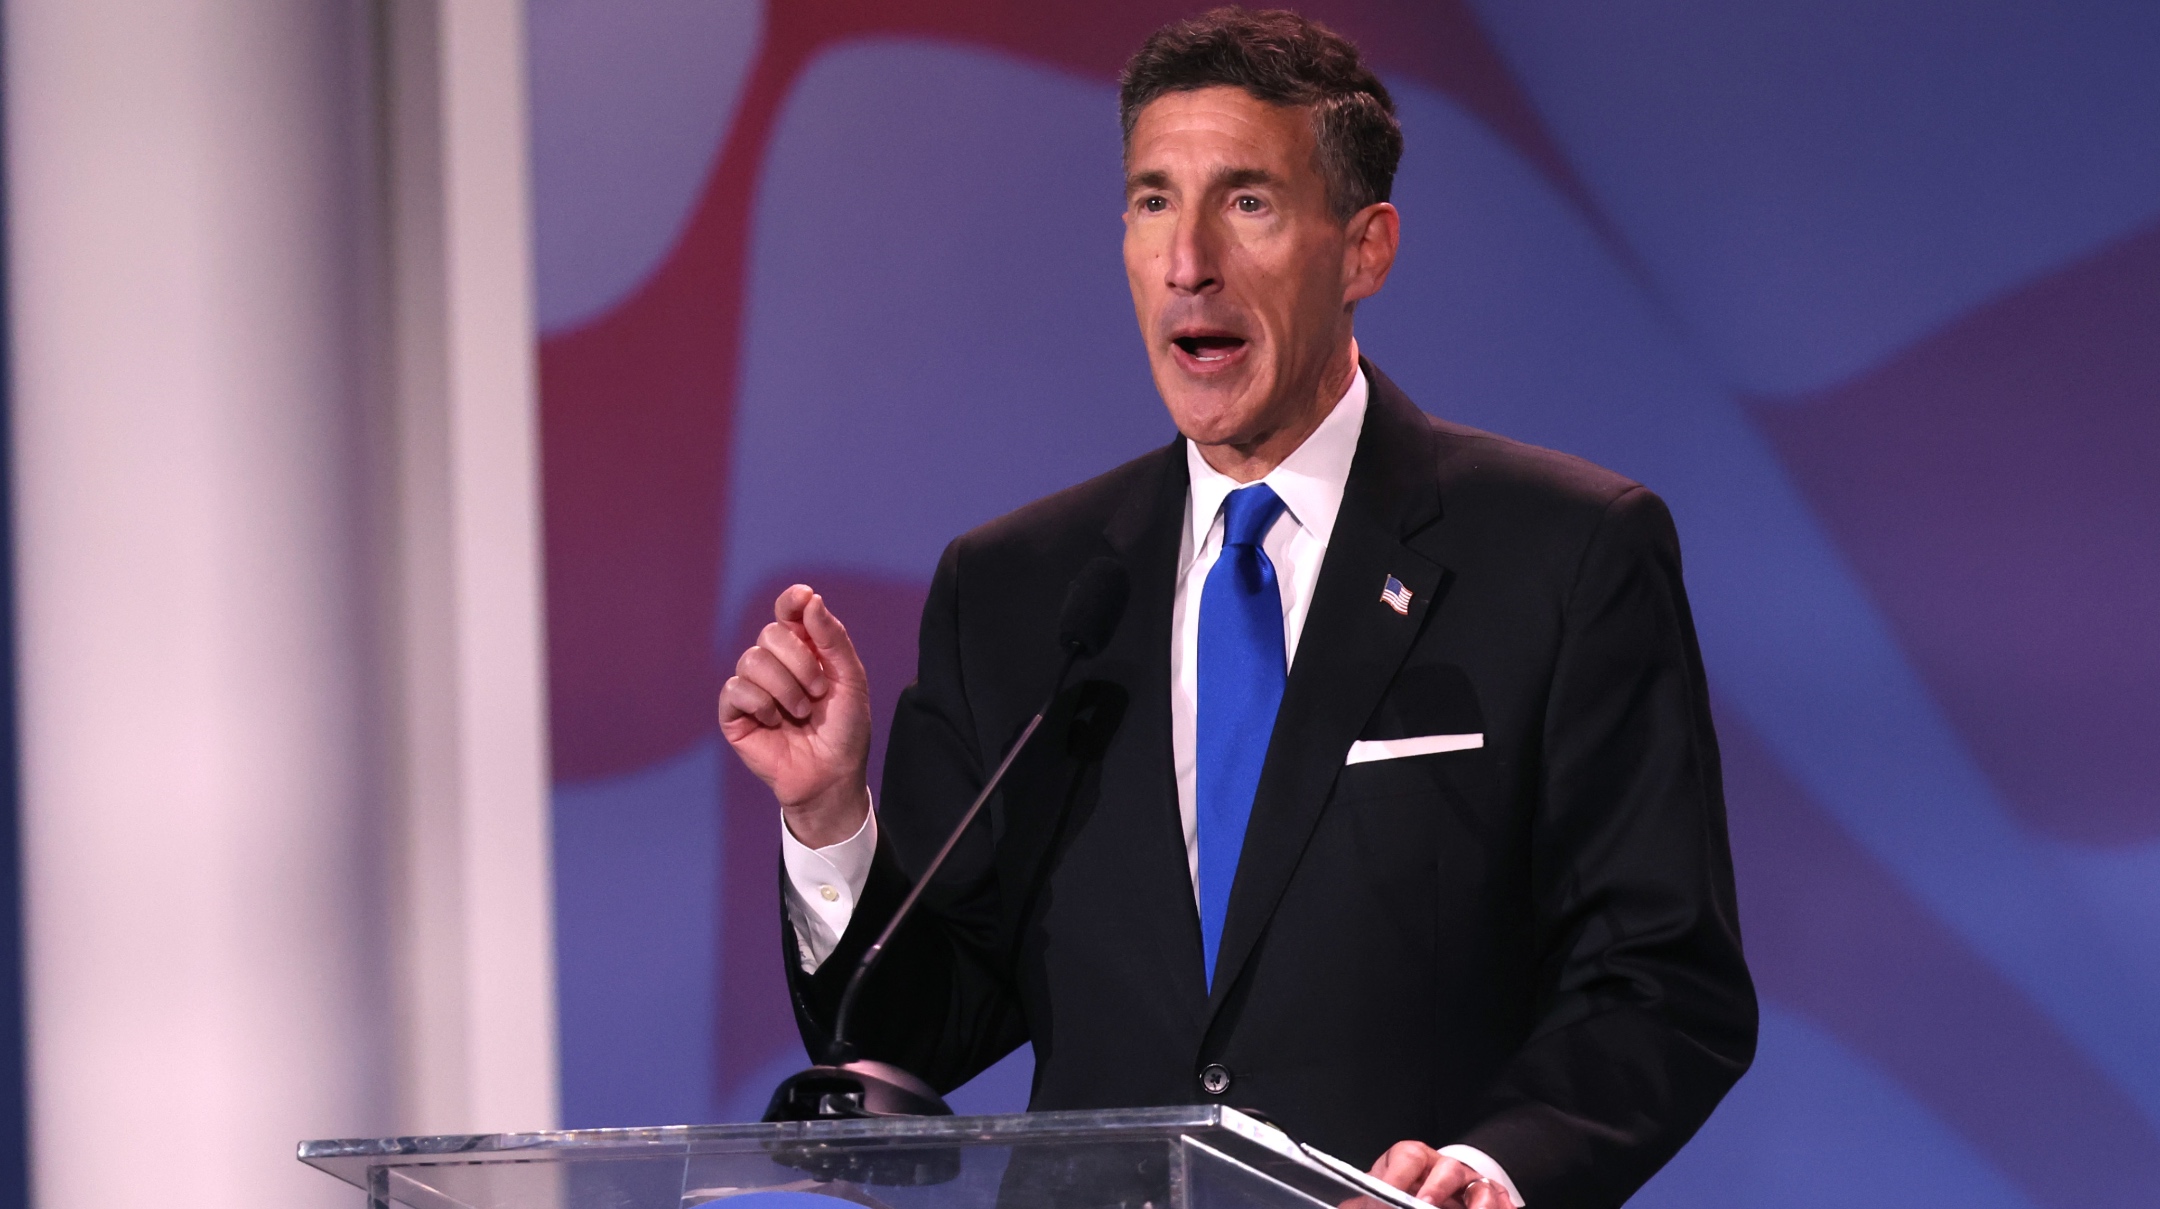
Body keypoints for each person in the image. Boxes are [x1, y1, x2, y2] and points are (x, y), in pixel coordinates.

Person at [718, 9, 1755, 1208]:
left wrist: (1490, 1168)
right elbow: (918, 1033)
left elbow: (1664, 981)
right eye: (1153, 201)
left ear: (1364, 250)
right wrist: (831, 813)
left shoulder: (1565, 554)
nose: (1186, 261)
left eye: (1247, 202)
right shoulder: (1018, 590)